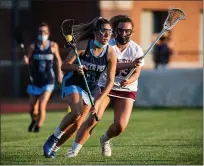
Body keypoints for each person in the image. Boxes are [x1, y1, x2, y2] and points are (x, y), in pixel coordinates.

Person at [66, 15, 144, 157]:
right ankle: (74, 150)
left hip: (126, 90)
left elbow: (137, 73)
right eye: (120, 30)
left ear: (132, 32)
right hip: (105, 85)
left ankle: (105, 139)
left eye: (128, 31)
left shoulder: (136, 49)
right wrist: (131, 64)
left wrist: (129, 80)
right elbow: (112, 67)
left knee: (120, 126)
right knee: (93, 118)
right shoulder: (109, 46)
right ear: (115, 30)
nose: (124, 34)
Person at [43, 17, 117, 158]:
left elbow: (110, 81)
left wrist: (99, 101)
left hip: (90, 87)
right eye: (103, 31)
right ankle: (53, 138)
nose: (107, 35)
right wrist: (76, 67)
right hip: (74, 82)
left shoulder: (110, 53)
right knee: (76, 112)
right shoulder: (83, 46)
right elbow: (64, 66)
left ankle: (54, 149)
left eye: (110, 32)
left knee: (77, 125)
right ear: (96, 32)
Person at [24, 22, 63, 132]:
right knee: (32, 108)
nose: (42, 34)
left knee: (42, 105)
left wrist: (60, 73)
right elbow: (28, 61)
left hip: (48, 80)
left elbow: (58, 60)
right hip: (35, 81)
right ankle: (33, 120)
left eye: (44, 32)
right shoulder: (32, 47)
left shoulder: (53, 46)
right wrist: (26, 61)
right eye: (40, 32)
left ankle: (38, 127)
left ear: (48, 33)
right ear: (38, 33)